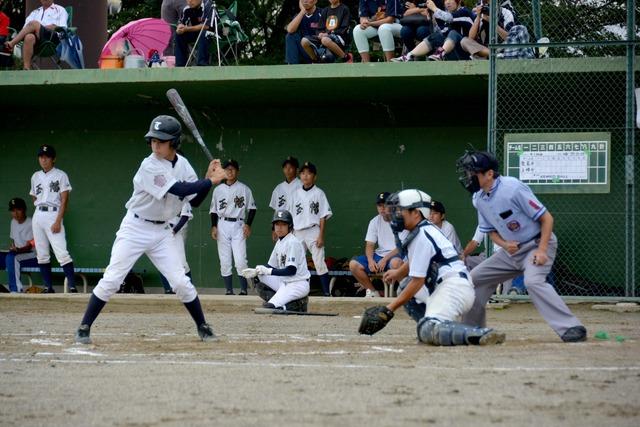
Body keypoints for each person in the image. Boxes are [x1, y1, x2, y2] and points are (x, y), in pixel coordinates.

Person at [75, 115, 226, 344]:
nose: (155, 144)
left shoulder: (183, 165)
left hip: (163, 232)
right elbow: (178, 188)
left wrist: (206, 180)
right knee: (113, 279)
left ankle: (203, 326)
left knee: (180, 282)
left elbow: (193, 200)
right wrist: (211, 181)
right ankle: (84, 326)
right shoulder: (149, 165)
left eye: (162, 140)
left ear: (174, 143)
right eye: (153, 139)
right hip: (135, 227)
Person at [456, 150, 587, 342]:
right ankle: (471, 330)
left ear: (489, 174)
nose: (468, 177)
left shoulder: (512, 188)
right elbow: (490, 230)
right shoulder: (478, 198)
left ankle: (571, 327)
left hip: (537, 244)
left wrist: (542, 251)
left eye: (472, 172)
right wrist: (504, 244)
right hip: (512, 251)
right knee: (474, 278)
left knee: (533, 281)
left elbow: (547, 219)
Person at [359, 189, 505, 345]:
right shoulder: (422, 230)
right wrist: (398, 273)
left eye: (400, 211)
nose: (396, 215)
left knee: (426, 324)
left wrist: (389, 309)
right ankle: (432, 325)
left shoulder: (422, 235)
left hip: (453, 288)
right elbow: (416, 261)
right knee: (405, 287)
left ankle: (477, 333)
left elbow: (418, 282)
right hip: (446, 284)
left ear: (416, 213)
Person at [29, 144, 76, 293]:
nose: (43, 159)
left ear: (53, 159)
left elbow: (64, 200)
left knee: (62, 253)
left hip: (53, 213)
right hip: (39, 214)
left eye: (47, 157)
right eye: (41, 157)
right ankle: (48, 287)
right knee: (42, 254)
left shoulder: (61, 175)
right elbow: (34, 196)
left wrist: (57, 220)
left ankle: (72, 286)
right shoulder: (35, 176)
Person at [242, 210, 311, 312]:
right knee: (258, 276)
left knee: (269, 308)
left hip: (297, 284)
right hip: (284, 282)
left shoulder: (292, 242)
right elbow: (270, 266)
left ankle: (297, 304)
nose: (279, 227)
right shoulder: (280, 242)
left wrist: (267, 271)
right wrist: (256, 271)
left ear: (290, 226)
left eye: (283, 224)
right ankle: (282, 300)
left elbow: (291, 271)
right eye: (277, 224)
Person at [210, 159, 257, 295]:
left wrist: (248, 224)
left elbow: (252, 208)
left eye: (232, 169)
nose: (230, 171)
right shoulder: (218, 189)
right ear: (223, 171)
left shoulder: (244, 188)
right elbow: (213, 210)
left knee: (241, 260)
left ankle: (243, 289)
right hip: (222, 224)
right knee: (224, 260)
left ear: (237, 171)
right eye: (227, 169)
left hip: (238, 224)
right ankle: (229, 290)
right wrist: (214, 226)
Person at [290, 162, 332, 296]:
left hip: (313, 230)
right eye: (302, 173)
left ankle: (326, 293)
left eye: (308, 173)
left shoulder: (319, 193)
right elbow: (289, 215)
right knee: (296, 262)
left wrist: (321, 235)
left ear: (314, 176)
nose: (305, 176)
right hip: (297, 231)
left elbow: (323, 216)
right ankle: (297, 293)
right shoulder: (295, 194)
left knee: (319, 262)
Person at [349, 192, 403, 297]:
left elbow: (401, 246)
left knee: (396, 263)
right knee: (353, 264)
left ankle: (405, 293)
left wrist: (385, 259)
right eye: (379, 205)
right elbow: (370, 244)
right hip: (380, 255)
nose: (382, 208)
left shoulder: (401, 219)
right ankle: (374, 292)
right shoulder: (374, 221)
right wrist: (370, 260)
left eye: (385, 205)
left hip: (395, 254)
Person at [391, 0, 473, 62]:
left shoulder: (464, 11)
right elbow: (442, 32)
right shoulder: (447, 14)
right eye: (446, 0)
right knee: (436, 36)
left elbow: (449, 18)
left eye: (451, 0)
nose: (448, 2)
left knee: (453, 33)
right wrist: (432, 20)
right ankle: (409, 56)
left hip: (466, 53)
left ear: (459, 1)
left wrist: (433, 8)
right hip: (452, 51)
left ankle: (440, 54)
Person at [4, 0, 68, 70]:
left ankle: (12, 43)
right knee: (29, 37)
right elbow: (25, 28)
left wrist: (41, 27)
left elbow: (63, 28)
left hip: (53, 39)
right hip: (37, 42)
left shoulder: (60, 10)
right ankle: (26, 68)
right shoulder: (35, 12)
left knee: (34, 24)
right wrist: (36, 28)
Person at [1, 198, 38, 293]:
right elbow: (14, 241)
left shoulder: (32, 222)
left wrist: (17, 250)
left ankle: (16, 290)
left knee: (12, 257)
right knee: (5, 256)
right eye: (13, 211)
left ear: (24, 209)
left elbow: (30, 246)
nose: (15, 213)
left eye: (18, 210)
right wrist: (13, 247)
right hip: (17, 253)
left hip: (32, 256)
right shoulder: (13, 222)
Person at [159, 199, 193, 295]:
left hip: (176, 232)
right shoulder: (162, 198)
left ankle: (189, 290)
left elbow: (185, 217)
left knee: (182, 263)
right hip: (162, 230)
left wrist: (174, 231)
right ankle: (168, 289)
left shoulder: (183, 197)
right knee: (162, 261)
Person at [269, 156, 302, 240]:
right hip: (282, 226)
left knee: (297, 251)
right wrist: (274, 229)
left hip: (299, 226)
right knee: (283, 252)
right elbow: (276, 210)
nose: (288, 170)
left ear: (297, 170)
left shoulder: (302, 186)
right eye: (285, 167)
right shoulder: (278, 188)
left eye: (291, 167)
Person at [174, 0, 213, 67]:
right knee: (179, 35)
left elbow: (206, 26)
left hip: (212, 33)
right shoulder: (187, 9)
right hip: (196, 33)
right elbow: (182, 23)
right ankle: (180, 65)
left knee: (203, 33)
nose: (190, 1)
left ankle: (202, 64)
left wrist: (187, 29)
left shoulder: (208, 5)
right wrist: (179, 28)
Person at [285, 0, 322, 64]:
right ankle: (293, 68)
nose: (305, 0)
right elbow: (290, 30)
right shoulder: (299, 15)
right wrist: (302, 12)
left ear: (315, 1)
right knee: (290, 36)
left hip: (319, 50)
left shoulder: (323, 13)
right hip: (306, 51)